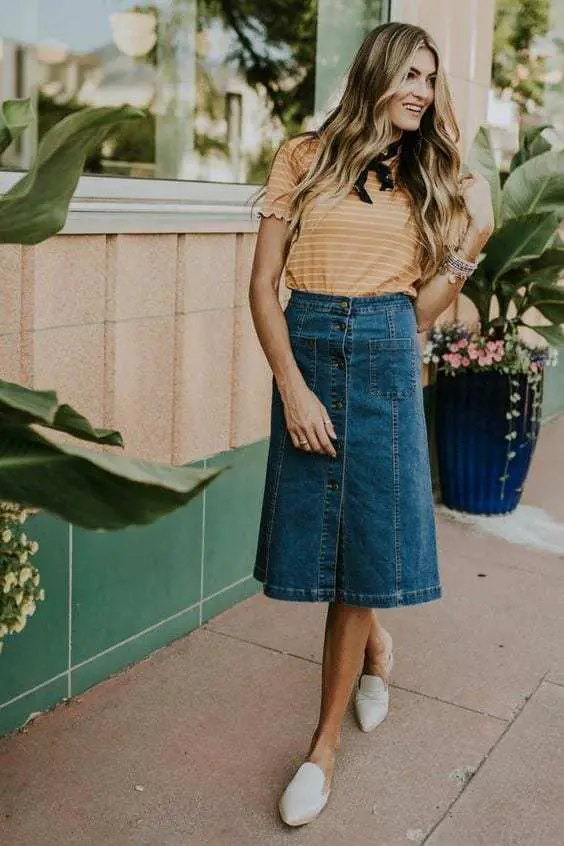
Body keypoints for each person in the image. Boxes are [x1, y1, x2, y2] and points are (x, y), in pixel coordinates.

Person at [248, 21, 494, 827]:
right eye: (411, 74)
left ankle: (322, 747)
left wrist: (472, 244)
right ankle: (377, 646)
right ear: (378, 74)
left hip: (387, 350)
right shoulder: (303, 157)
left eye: (432, 78)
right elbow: (262, 286)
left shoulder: (425, 176)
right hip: (311, 349)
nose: (423, 90)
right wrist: (291, 385)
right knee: (330, 542)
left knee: (364, 546)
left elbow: (418, 316)